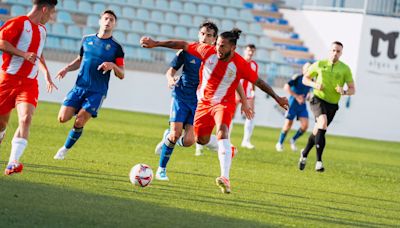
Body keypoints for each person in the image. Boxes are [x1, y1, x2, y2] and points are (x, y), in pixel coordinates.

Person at [140, 29, 288, 193]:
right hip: (202, 103)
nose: (218, 48)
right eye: (217, 44)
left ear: (233, 48)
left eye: (222, 46)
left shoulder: (241, 64)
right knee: (200, 140)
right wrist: (156, 43)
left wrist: (277, 98)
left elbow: (259, 82)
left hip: (224, 103)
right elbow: (182, 44)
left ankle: (225, 177)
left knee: (222, 131)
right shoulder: (207, 51)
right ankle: (226, 149)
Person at [154, 22, 252, 180]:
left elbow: (235, 80)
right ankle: (161, 169)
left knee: (188, 141)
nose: (204, 37)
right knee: (175, 134)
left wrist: (244, 100)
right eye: (202, 33)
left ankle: (169, 139)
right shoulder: (187, 51)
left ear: (215, 39)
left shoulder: (218, 57)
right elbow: (170, 71)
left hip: (201, 102)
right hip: (181, 95)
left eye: (209, 35)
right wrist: (170, 79)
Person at [53, 10, 124, 160]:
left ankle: (65, 149)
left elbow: (122, 74)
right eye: (106, 18)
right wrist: (66, 68)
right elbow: (79, 60)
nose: (108, 21)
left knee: (79, 121)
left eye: (111, 20)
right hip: (79, 87)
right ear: (100, 21)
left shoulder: (117, 48)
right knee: (62, 118)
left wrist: (113, 65)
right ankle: (79, 109)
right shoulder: (86, 40)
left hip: (97, 92)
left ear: (114, 24)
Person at [0, 0, 58, 175]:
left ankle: (13, 162)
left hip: (29, 83)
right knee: (2, 124)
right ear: (44, 9)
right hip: (7, 80)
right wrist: (23, 54)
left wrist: (46, 72)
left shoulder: (42, 30)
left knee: (26, 118)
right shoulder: (18, 23)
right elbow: (2, 43)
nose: (51, 16)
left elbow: (38, 54)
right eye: (52, 12)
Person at [299, 41, 355, 172]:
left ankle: (304, 153)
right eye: (334, 50)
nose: (335, 53)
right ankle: (319, 162)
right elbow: (305, 79)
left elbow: (353, 89)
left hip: (332, 104)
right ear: (330, 51)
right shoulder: (319, 64)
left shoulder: (345, 69)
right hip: (317, 99)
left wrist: (344, 91)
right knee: (322, 123)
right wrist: (314, 85)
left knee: (317, 131)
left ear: (341, 53)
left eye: (338, 51)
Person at [275, 62, 312, 152]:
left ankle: (293, 140)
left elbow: (309, 93)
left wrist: (309, 97)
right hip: (292, 104)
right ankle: (279, 143)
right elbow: (286, 87)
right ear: (303, 69)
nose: (308, 70)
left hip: (302, 106)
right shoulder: (297, 78)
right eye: (307, 68)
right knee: (288, 125)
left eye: (310, 68)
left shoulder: (311, 81)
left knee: (305, 126)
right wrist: (297, 96)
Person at [232, 44, 258, 149]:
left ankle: (246, 141)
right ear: (244, 51)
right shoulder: (238, 61)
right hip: (235, 92)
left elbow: (254, 80)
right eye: (249, 50)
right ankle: (226, 139)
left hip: (248, 94)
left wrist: (253, 92)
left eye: (252, 51)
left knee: (250, 115)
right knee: (230, 115)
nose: (250, 53)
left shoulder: (254, 65)